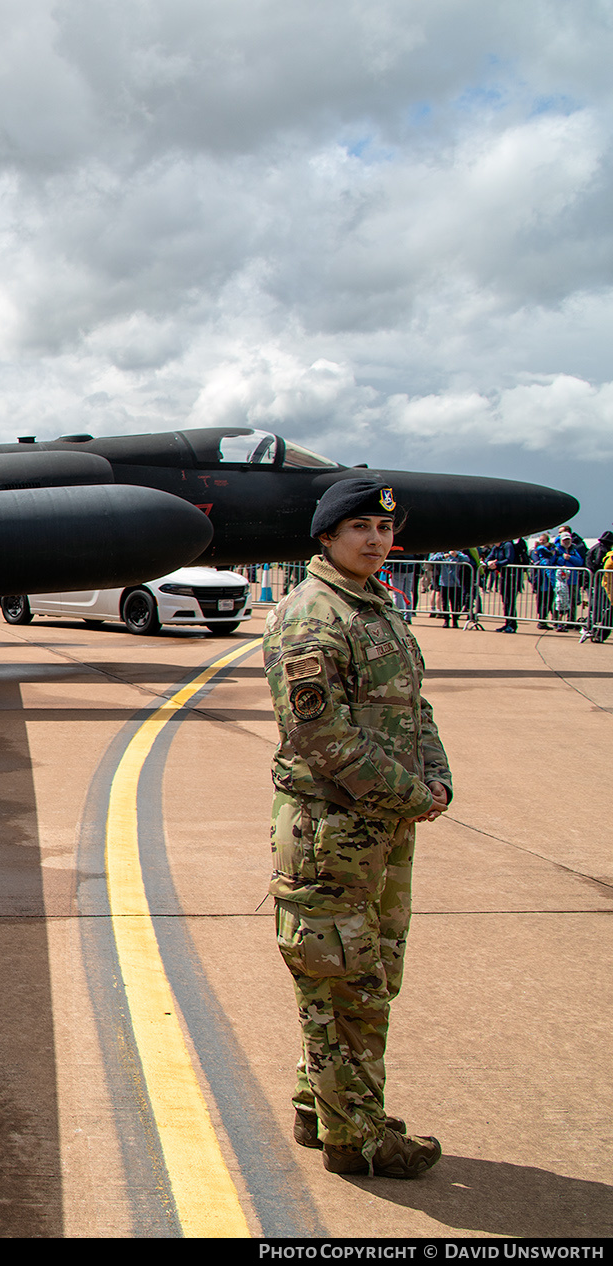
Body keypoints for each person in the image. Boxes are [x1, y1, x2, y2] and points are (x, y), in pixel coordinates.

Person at [263, 478, 450, 1178]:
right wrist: (411, 794)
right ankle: (359, 1141)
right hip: (331, 832)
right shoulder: (313, 616)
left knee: (371, 974)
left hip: (383, 828)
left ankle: (329, 1105)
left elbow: (413, 709)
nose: (375, 539)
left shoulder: (376, 609)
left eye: (382, 527)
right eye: (359, 528)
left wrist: (436, 777)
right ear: (326, 536)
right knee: (346, 986)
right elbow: (321, 737)